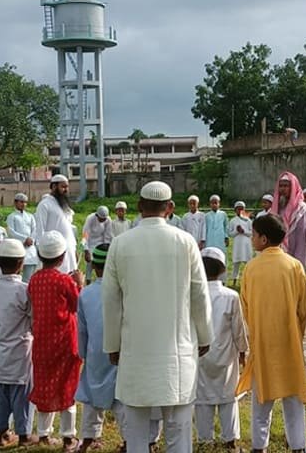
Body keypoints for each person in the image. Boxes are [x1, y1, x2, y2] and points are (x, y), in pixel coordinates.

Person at [103, 181, 212, 453]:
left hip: (135, 350)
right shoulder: (185, 242)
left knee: (137, 429)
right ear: (171, 208)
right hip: (178, 351)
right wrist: (205, 335)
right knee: (178, 428)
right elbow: (199, 294)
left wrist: (112, 345)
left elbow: (111, 301)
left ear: (139, 206)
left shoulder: (120, 243)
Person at [238, 214, 306, 452]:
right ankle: (298, 446)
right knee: (293, 400)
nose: (251, 239)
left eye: (254, 235)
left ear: (264, 239)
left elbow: (245, 308)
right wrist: (295, 331)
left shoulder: (251, 268)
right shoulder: (294, 265)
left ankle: (259, 447)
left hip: (263, 344)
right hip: (289, 343)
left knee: (262, 401)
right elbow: (303, 308)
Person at [29, 231, 82, 449]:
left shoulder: (34, 279)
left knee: (44, 384)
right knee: (67, 386)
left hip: (42, 341)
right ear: (62, 257)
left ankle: (43, 433)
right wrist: (79, 283)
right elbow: (78, 305)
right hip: (65, 341)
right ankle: (68, 436)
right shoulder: (64, 281)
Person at [195, 247, 249, 451]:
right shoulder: (231, 296)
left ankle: (204, 439)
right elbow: (238, 329)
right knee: (228, 397)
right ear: (223, 269)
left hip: (200, 355)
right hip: (226, 355)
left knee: (202, 398)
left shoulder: (192, 295)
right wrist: (243, 351)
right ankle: (230, 439)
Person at [0, 239, 36, 446]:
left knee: (1, 391)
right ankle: (23, 434)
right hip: (21, 348)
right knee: (21, 394)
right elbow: (32, 319)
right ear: (21, 264)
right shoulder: (23, 290)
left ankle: (1, 431)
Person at [75, 243, 118, 452]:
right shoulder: (123, 289)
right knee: (122, 400)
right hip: (120, 352)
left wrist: (83, 353)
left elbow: (81, 329)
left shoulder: (86, 293)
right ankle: (130, 440)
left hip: (95, 351)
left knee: (92, 395)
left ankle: (88, 438)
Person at [34, 175, 79, 276]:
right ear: (54, 187)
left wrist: (74, 249)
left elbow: (69, 230)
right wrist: (42, 256)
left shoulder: (64, 206)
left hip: (69, 251)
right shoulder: (44, 205)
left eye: (67, 187)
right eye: (63, 187)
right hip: (54, 254)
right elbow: (40, 231)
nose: (66, 190)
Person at [7, 193, 40, 281]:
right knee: (15, 275)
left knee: (29, 277)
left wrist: (30, 239)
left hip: (30, 248)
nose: (23, 204)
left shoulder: (30, 216)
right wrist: (24, 239)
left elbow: (35, 230)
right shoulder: (12, 216)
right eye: (21, 202)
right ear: (15, 202)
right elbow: (11, 232)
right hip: (18, 247)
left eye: (25, 202)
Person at [84, 206, 114, 277]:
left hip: (101, 243)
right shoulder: (90, 218)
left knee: (103, 263)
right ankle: (88, 280)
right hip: (91, 242)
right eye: (101, 219)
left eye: (104, 219)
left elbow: (108, 235)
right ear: (97, 215)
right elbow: (85, 235)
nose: (103, 221)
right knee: (90, 263)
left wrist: (106, 248)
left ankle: (102, 279)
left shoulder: (108, 220)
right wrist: (86, 250)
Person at [229, 202, 253, 284]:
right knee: (236, 263)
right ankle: (234, 280)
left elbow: (251, 233)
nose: (240, 210)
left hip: (246, 245)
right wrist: (237, 231)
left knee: (248, 263)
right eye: (238, 208)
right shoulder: (232, 221)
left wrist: (243, 231)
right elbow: (230, 234)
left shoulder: (248, 220)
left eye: (242, 208)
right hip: (237, 245)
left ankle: (249, 280)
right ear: (235, 210)